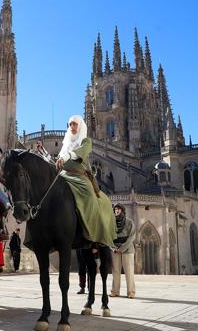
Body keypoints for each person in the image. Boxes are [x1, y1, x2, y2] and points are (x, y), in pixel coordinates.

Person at [55, 115, 116, 248]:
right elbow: (57, 159)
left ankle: (94, 233)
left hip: (79, 176)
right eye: (70, 124)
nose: (72, 127)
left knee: (89, 195)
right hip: (63, 175)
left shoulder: (86, 141)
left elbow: (78, 153)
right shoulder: (66, 143)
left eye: (75, 124)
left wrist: (66, 156)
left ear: (80, 126)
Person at [110, 203, 136, 299]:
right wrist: (113, 248)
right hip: (115, 250)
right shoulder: (111, 222)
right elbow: (109, 236)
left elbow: (132, 237)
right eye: (115, 209)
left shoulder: (129, 222)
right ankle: (115, 291)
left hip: (127, 249)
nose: (116, 211)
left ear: (122, 210)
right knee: (115, 271)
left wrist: (121, 249)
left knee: (129, 271)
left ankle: (131, 292)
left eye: (118, 209)